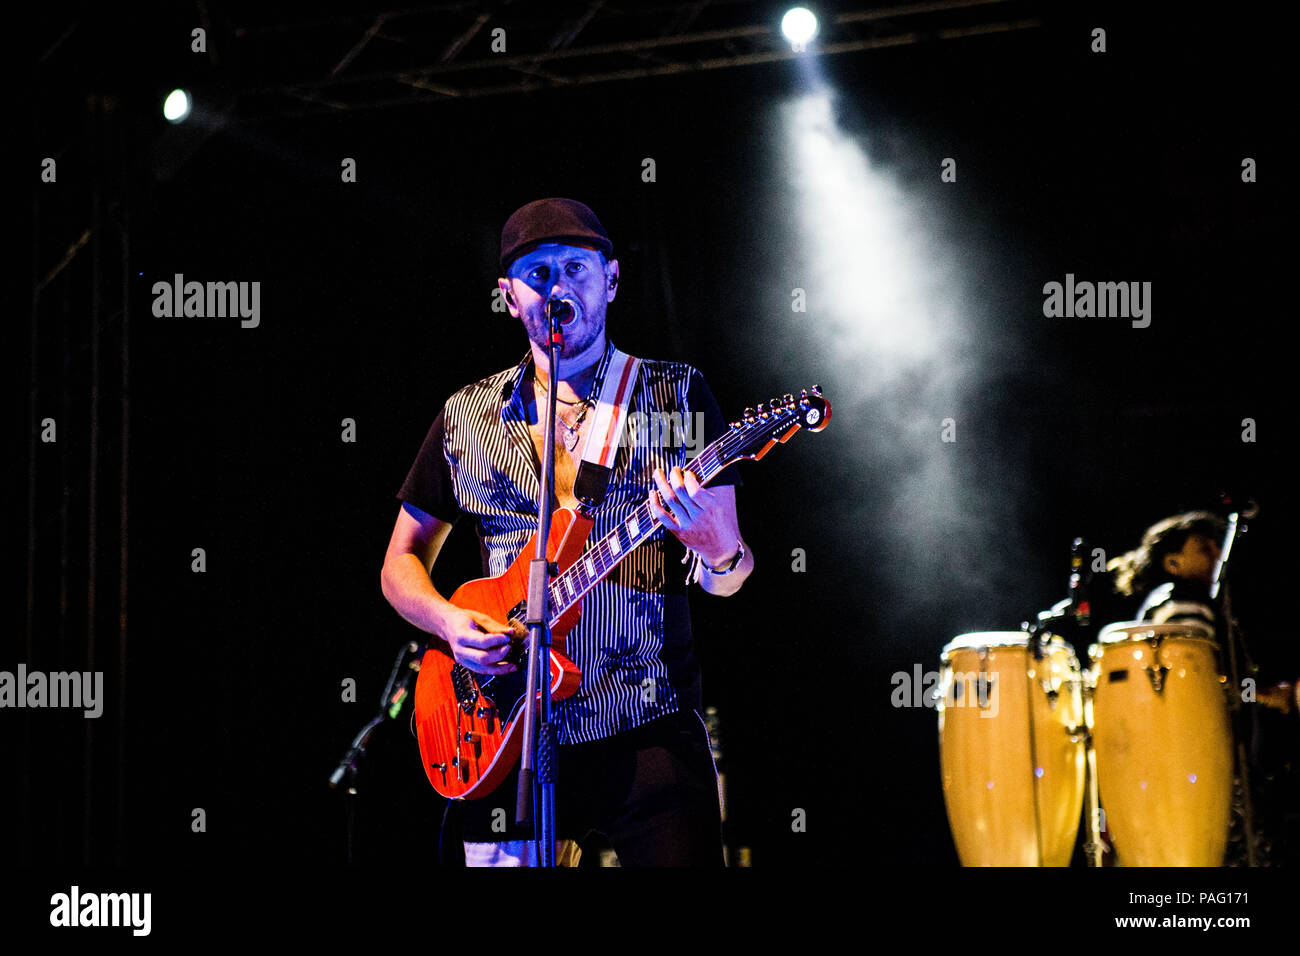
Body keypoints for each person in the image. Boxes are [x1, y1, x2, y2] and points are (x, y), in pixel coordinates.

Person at [380, 198, 753, 866]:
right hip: (502, 730)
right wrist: (447, 623)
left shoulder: (673, 396)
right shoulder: (465, 414)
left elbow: (730, 577)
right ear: (508, 296)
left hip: (644, 722)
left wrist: (717, 549)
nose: (558, 287)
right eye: (538, 273)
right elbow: (399, 563)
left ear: (610, 280)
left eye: (576, 269)